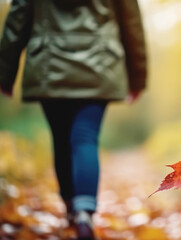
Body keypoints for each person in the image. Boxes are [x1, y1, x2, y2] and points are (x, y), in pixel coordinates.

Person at [0, 0, 147, 239]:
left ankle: (70, 210)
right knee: (85, 138)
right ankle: (84, 213)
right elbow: (131, 22)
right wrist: (138, 76)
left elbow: (17, 19)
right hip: (99, 66)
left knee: (61, 139)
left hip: (49, 65)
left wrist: (5, 72)